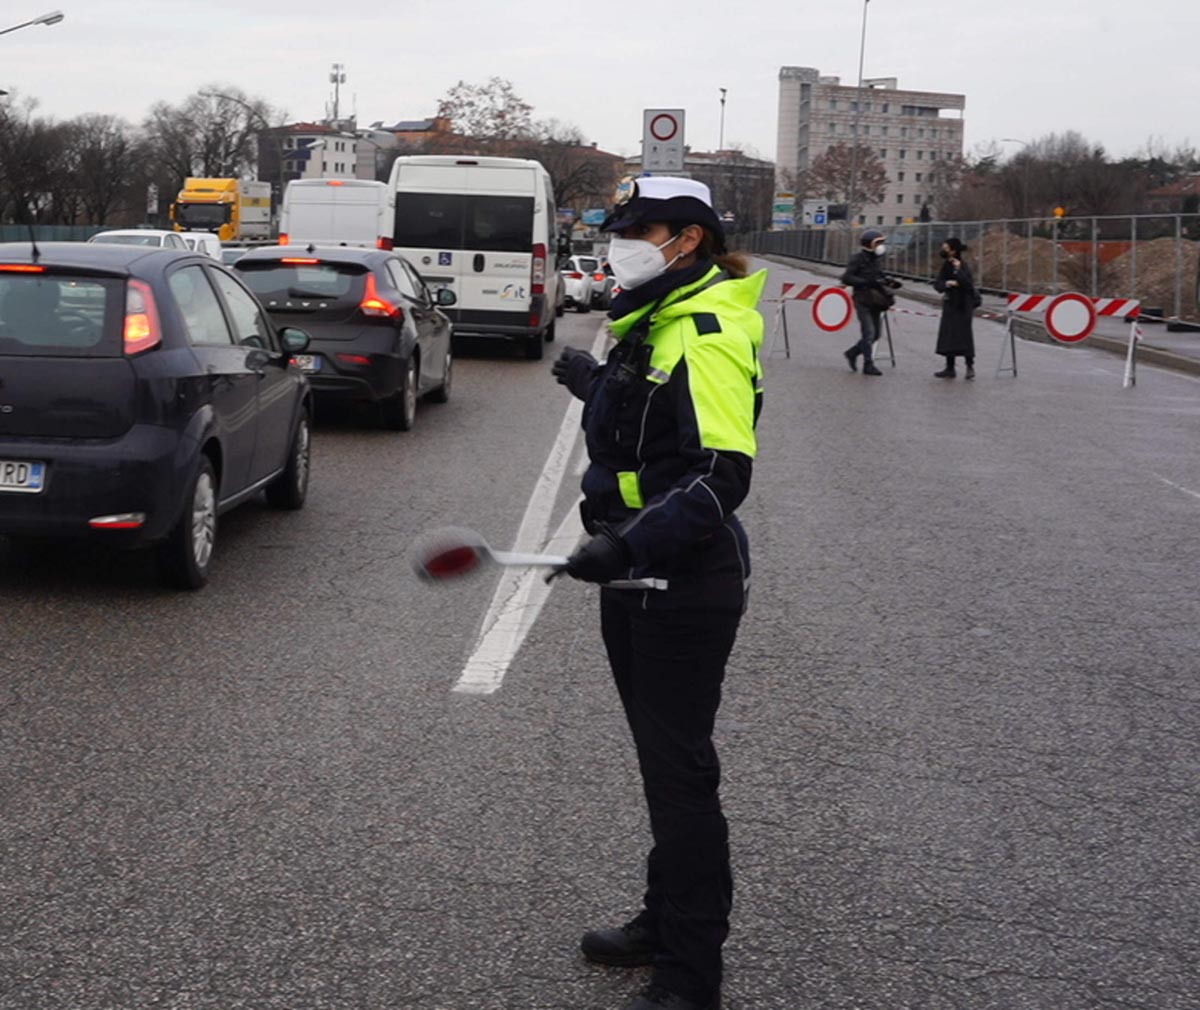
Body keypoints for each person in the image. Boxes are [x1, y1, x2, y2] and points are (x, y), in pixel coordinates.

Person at [550, 176, 765, 1010]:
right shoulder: (654, 320)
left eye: (640, 230)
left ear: (688, 240)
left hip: (680, 582)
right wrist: (590, 380)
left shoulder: (705, 329)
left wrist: (627, 545)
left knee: (681, 776)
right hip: (636, 575)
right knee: (659, 766)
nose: (622, 242)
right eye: (619, 228)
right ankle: (659, 919)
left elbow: (720, 477)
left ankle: (690, 972)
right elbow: (649, 423)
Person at [841, 228, 902, 376]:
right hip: (862, 300)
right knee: (868, 333)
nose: (881, 246)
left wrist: (889, 281)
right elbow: (846, 278)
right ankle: (868, 364)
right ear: (869, 244)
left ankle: (853, 352)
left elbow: (879, 276)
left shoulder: (876, 260)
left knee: (876, 335)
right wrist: (866, 282)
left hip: (876, 301)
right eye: (878, 243)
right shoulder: (857, 259)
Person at [932, 236, 978, 379]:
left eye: (946, 248)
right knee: (948, 336)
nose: (943, 250)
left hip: (963, 305)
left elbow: (968, 284)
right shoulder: (946, 265)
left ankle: (970, 366)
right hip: (950, 304)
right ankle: (949, 367)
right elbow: (937, 284)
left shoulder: (962, 265)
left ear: (953, 250)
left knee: (964, 336)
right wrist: (947, 284)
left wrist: (958, 272)